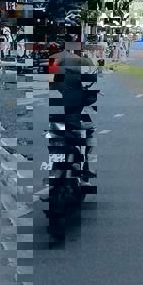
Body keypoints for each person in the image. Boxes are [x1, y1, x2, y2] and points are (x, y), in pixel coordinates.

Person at [50, 22, 98, 180]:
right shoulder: (80, 62)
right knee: (90, 130)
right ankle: (86, 167)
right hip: (72, 115)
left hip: (55, 114)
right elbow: (90, 84)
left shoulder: (57, 59)